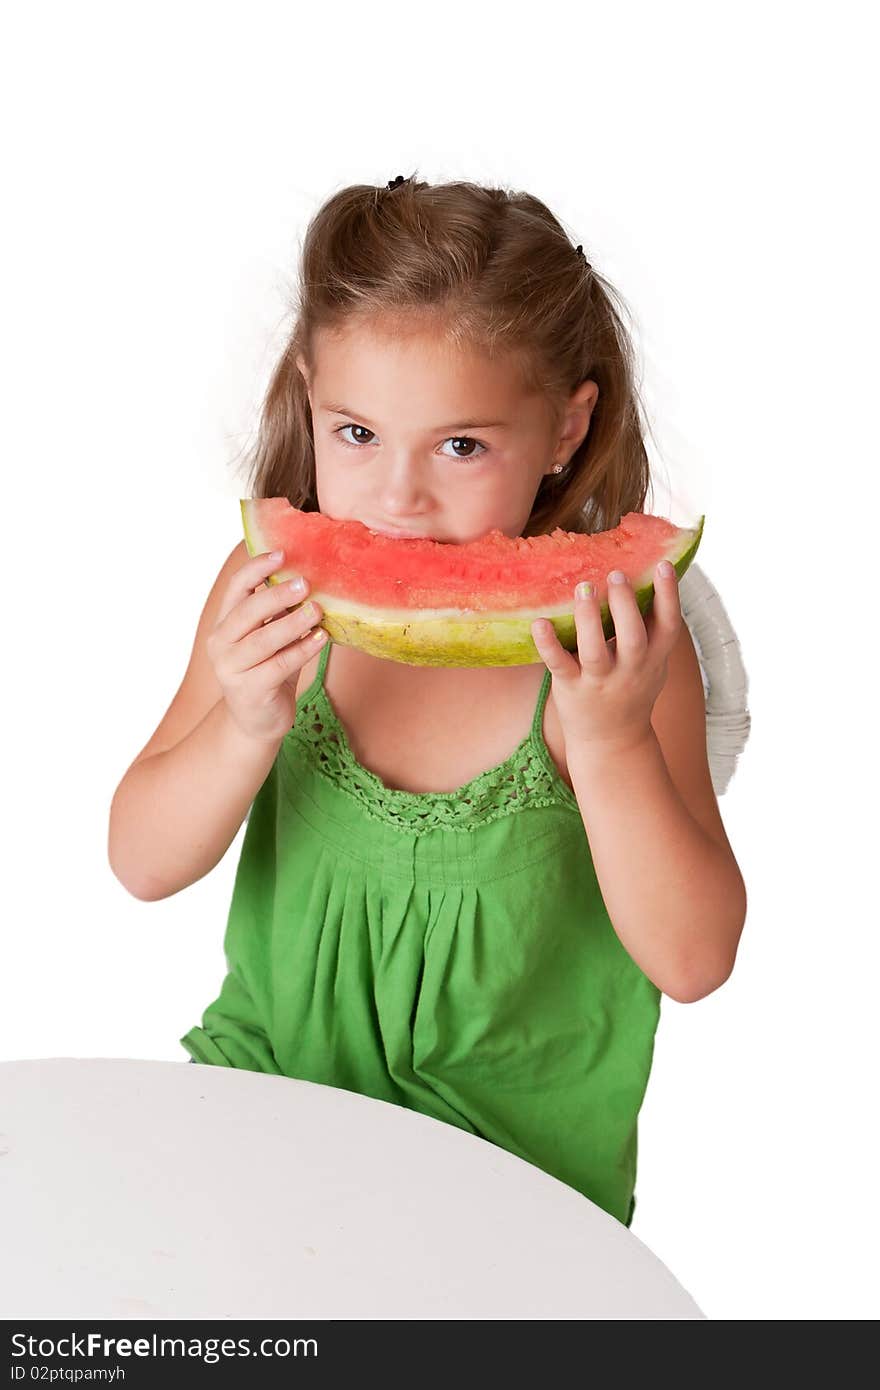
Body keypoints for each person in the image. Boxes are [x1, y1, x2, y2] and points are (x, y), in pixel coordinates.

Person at [108, 174, 747, 1229]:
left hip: (512, 1183)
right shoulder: (266, 595)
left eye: (461, 445)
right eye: (355, 433)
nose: (396, 496)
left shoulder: (613, 643)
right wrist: (244, 724)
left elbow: (692, 960)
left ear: (564, 427)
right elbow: (140, 860)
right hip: (266, 1107)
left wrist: (611, 741)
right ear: (308, 392)